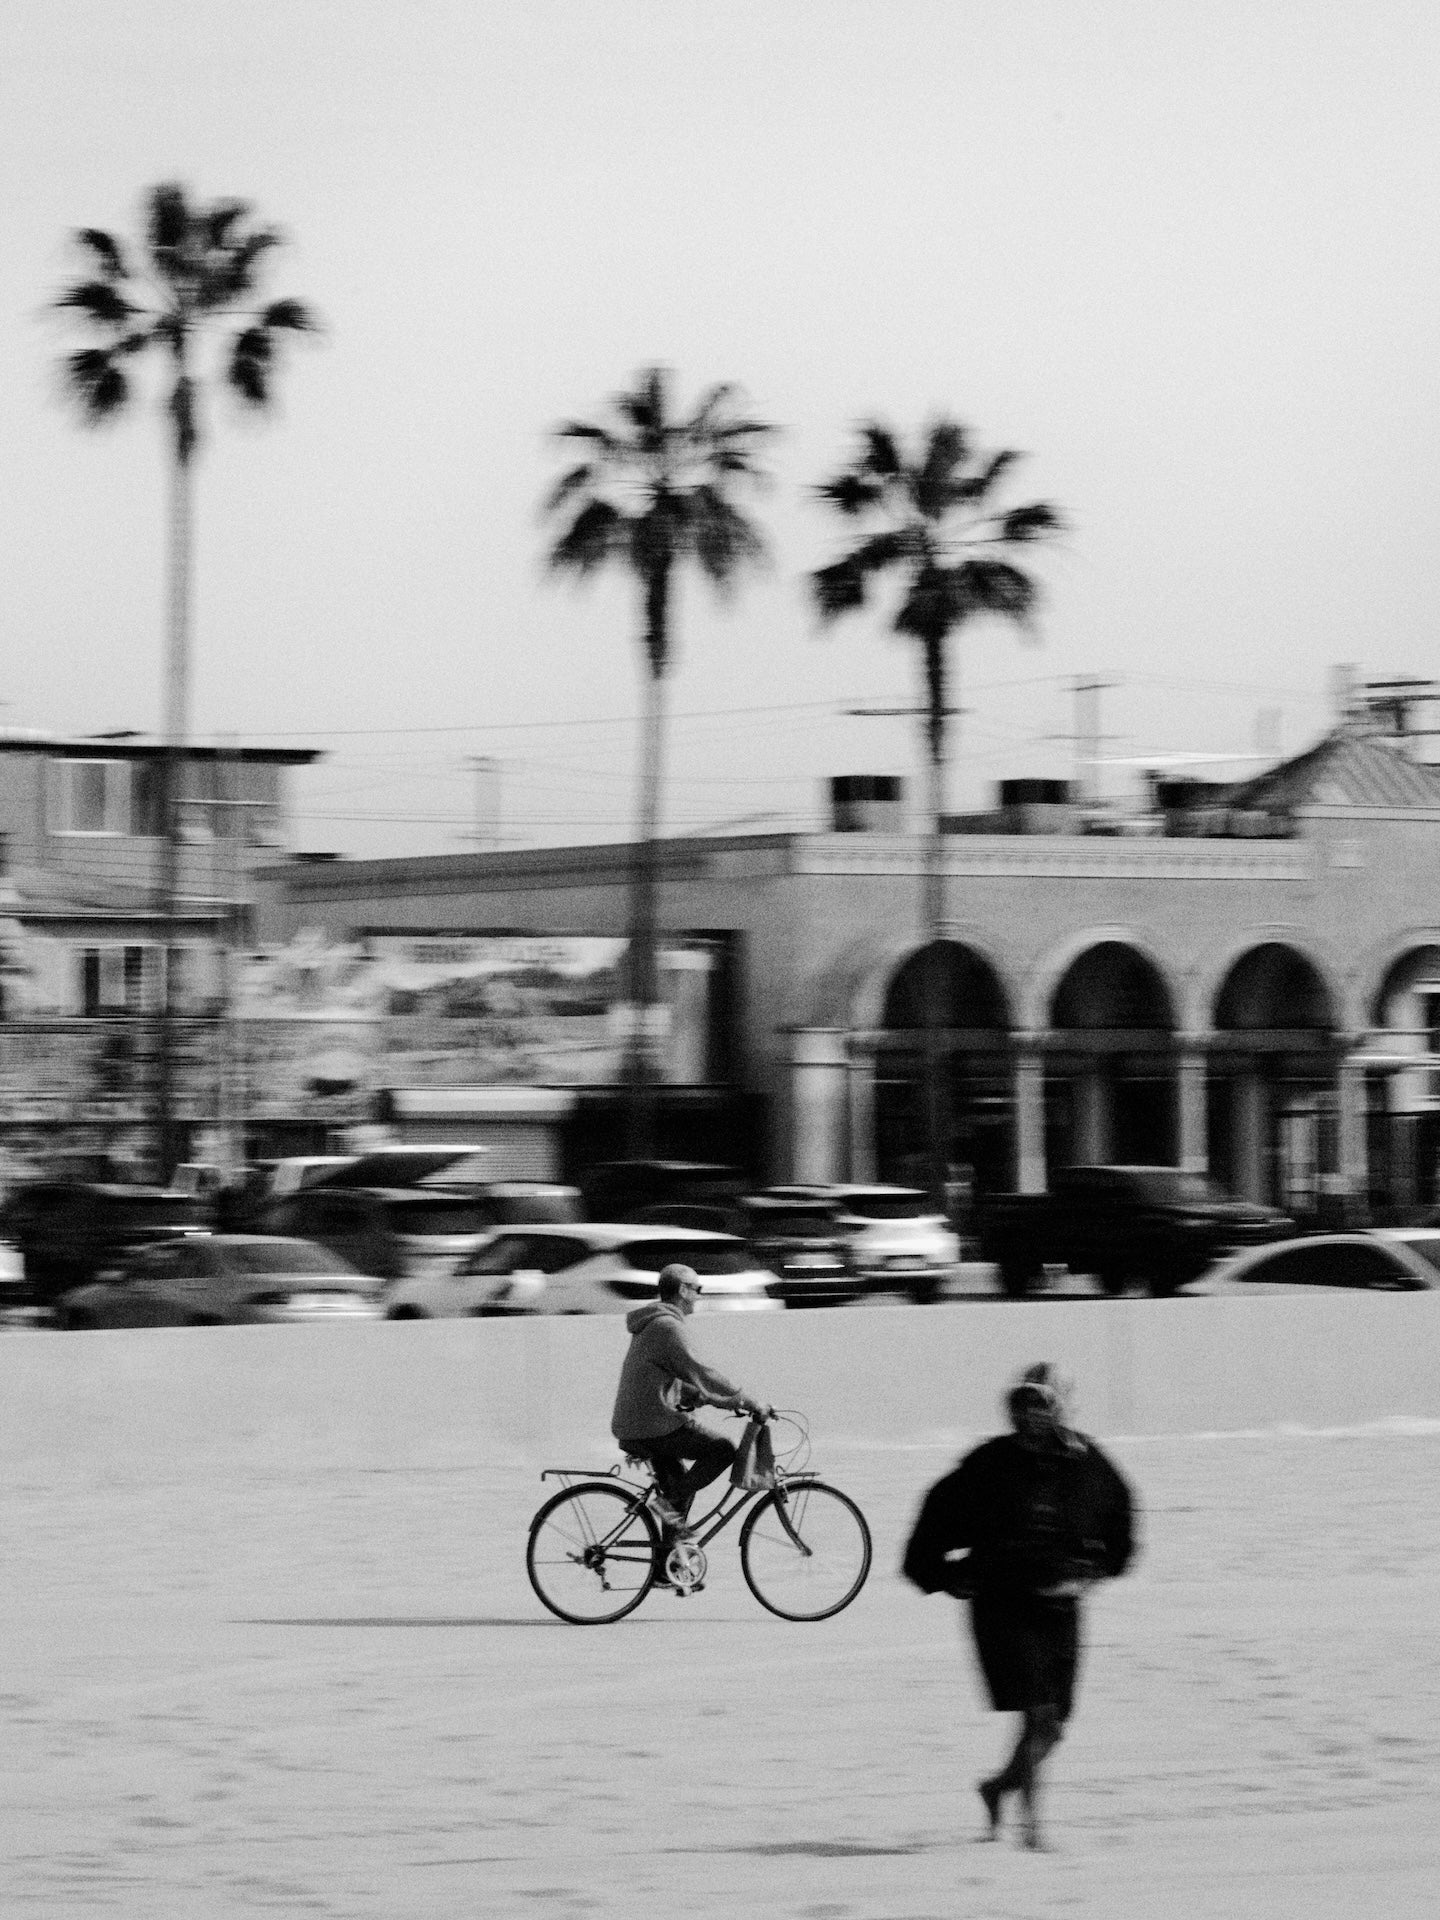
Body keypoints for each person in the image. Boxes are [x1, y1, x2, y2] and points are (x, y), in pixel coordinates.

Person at [902, 1362, 1136, 1850]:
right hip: (1001, 1602)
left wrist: (1104, 1563)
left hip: (1061, 1604)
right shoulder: (989, 1464)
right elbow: (933, 1521)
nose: (1031, 1415)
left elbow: (1120, 1511)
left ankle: (998, 1788)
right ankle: (1031, 1831)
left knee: (1053, 1729)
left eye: (1041, 1405)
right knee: (1039, 1717)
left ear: (1060, 1408)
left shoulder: (1087, 1461)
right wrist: (944, 1576)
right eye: (1023, 1405)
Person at [611, 1262, 770, 1549]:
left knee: (681, 1486)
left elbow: (673, 1381)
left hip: (638, 1423)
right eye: (697, 1289)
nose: (699, 1295)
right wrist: (747, 1400)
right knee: (722, 1449)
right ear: (683, 1290)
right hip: (653, 1425)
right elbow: (702, 1373)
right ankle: (666, 1503)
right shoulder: (667, 1327)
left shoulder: (653, 1324)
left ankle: (666, 1564)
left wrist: (710, 1398)